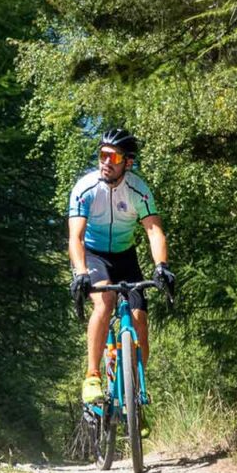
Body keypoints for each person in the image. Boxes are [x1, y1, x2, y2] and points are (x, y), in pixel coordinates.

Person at [67, 127, 175, 406]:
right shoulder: (86, 188)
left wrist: (161, 266)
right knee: (104, 302)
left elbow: (154, 231)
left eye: (112, 157)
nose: (105, 162)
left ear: (127, 162)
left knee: (140, 320)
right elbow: (75, 237)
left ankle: (135, 394)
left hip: (126, 257)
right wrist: (80, 272)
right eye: (102, 154)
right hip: (93, 256)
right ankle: (92, 375)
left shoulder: (139, 190)